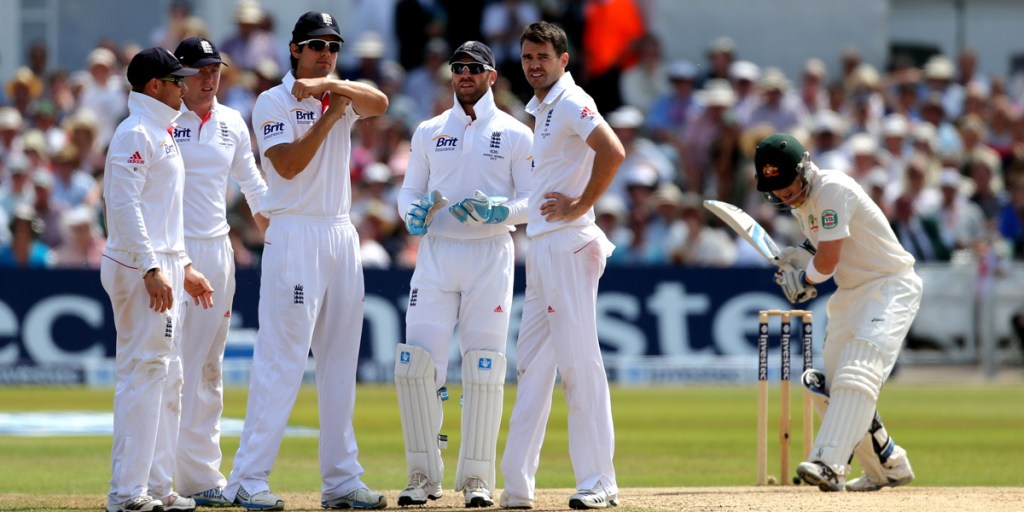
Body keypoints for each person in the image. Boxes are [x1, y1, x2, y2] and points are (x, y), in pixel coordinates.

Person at [221, 11, 389, 511]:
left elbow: (380, 102)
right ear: (295, 49)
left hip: (340, 232)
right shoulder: (272, 100)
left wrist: (334, 90)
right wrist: (331, 114)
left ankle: (341, 480)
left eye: (333, 45)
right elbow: (289, 165)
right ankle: (247, 479)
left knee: (340, 363)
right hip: (294, 232)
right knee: (282, 361)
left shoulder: (341, 90)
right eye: (316, 45)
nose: (325, 52)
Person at [394, 40, 532, 508]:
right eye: (459, 68)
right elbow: (410, 189)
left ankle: (477, 478)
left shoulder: (515, 133)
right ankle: (421, 474)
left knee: (484, 367)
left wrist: (503, 213)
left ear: (492, 76)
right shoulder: (430, 130)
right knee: (416, 367)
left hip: (489, 255)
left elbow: (532, 200)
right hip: (435, 254)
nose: (465, 75)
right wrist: (411, 214)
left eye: (475, 68)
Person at [500, 21, 625, 510]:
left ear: (563, 60)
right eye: (528, 57)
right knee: (532, 365)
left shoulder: (572, 101)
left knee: (579, 366)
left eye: (543, 58)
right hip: (545, 245)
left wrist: (580, 204)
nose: (534, 65)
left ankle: (600, 482)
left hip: (570, 243)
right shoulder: (543, 108)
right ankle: (517, 486)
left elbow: (613, 151)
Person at [753, 133, 918, 492]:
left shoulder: (831, 189)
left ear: (803, 168)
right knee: (825, 384)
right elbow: (822, 248)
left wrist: (804, 277)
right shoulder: (801, 201)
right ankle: (886, 466)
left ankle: (828, 464)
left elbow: (825, 263)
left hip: (890, 286)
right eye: (775, 188)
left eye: (785, 183)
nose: (783, 194)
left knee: (858, 372)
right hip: (851, 292)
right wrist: (799, 258)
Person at [102, 47, 214, 512]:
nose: (185, 86)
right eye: (177, 80)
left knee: (169, 377)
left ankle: (157, 485)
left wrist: (182, 265)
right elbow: (123, 205)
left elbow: (162, 210)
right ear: (154, 86)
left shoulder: (159, 131)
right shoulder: (135, 132)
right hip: (137, 264)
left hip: (161, 262)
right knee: (146, 372)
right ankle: (128, 493)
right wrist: (151, 267)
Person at [170, 36, 269, 507]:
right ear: (179, 77)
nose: (210, 78)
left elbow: (253, 185)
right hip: (172, 254)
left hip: (217, 252)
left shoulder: (230, 121)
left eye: (215, 70)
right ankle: (156, 476)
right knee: (170, 366)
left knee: (208, 367)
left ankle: (201, 476)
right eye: (200, 71)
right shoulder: (162, 121)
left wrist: (282, 232)